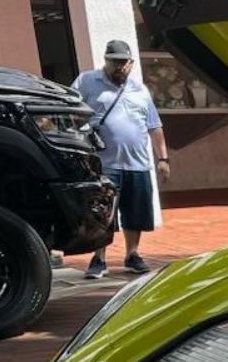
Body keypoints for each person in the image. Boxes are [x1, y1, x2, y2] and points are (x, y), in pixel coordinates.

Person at [72, 40, 168, 278]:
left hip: (137, 162)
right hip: (104, 163)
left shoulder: (140, 90)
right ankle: (99, 258)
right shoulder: (87, 82)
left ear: (131, 63)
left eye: (124, 63)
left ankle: (132, 254)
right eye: (115, 62)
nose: (120, 67)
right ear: (106, 60)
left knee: (136, 212)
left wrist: (163, 158)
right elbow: (71, 110)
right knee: (102, 213)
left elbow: (154, 127)